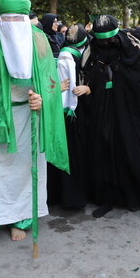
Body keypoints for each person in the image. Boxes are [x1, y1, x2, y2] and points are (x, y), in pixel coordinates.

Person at [0, 0, 68, 250]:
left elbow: (49, 79)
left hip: (27, 116)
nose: (12, 24)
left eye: (18, 18)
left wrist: (42, 100)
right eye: (6, 19)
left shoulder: (39, 40)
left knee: (25, 171)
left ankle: (20, 221)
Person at [81, 15, 140, 216]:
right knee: (103, 148)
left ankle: (132, 195)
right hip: (101, 107)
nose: (104, 44)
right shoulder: (94, 47)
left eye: (108, 41)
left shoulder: (133, 47)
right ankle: (106, 197)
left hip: (127, 110)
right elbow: (88, 70)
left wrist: (114, 70)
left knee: (127, 148)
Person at [48, 23, 90, 210]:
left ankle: (56, 195)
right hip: (70, 115)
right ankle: (72, 197)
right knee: (71, 154)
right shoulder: (71, 57)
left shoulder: (61, 55)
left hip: (59, 113)